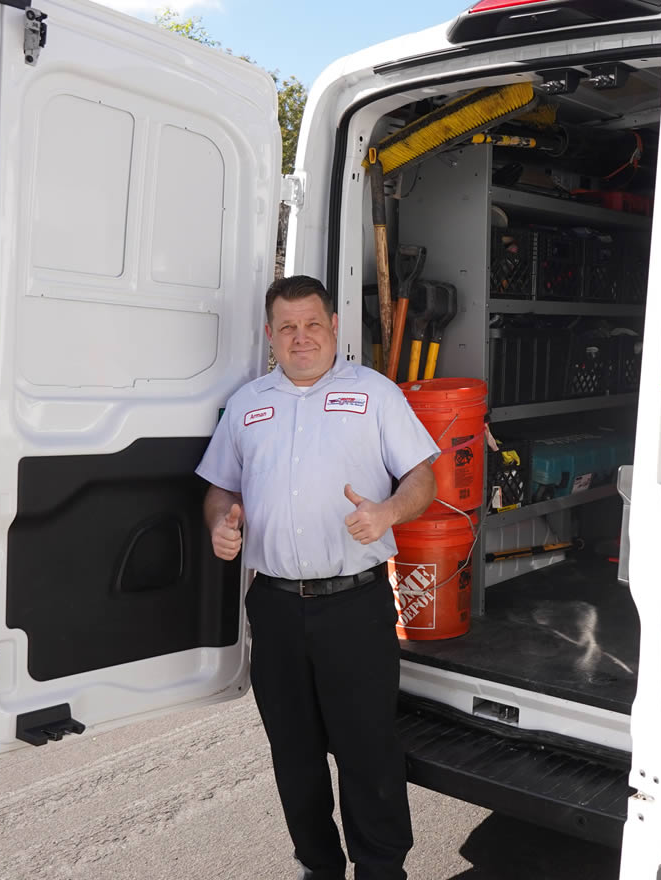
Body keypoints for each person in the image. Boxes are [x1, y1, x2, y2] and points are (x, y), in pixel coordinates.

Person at [197, 274, 439, 880]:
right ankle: (318, 864)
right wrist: (219, 524)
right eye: (287, 327)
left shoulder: (376, 394)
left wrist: (386, 511)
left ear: (334, 327)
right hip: (275, 608)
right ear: (270, 335)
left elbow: (422, 479)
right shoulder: (248, 405)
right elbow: (221, 485)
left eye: (312, 324)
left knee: (367, 747)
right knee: (294, 751)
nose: (301, 337)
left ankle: (381, 868)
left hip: (354, 605)